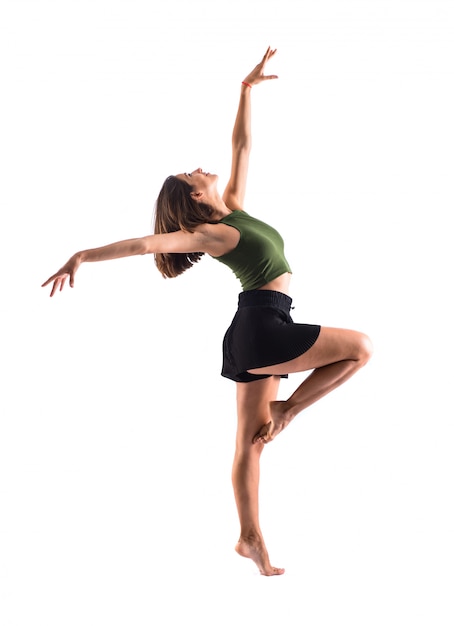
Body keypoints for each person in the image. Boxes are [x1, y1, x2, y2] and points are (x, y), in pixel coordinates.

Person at [42, 47, 372, 576]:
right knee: (361, 348)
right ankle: (289, 411)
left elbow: (242, 144)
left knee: (248, 443)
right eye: (191, 172)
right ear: (195, 196)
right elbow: (146, 245)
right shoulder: (211, 232)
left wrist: (245, 90)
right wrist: (83, 255)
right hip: (263, 324)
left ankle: (250, 539)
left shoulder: (234, 208)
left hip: (257, 326)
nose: (200, 166)